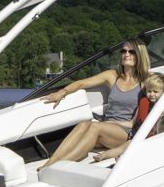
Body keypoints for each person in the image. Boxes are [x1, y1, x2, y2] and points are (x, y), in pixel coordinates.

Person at [42, 38, 158, 166]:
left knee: (95, 127)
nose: (126, 54)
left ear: (140, 55)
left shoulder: (146, 80)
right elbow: (81, 83)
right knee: (83, 124)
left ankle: (59, 165)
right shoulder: (113, 75)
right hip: (107, 127)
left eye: (132, 52)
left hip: (126, 132)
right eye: (123, 51)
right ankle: (52, 160)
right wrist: (62, 92)